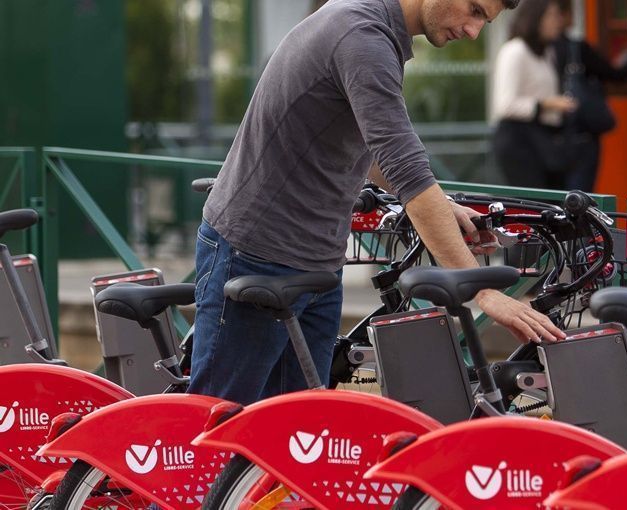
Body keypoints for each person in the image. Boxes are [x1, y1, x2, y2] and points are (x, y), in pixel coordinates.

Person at [188, 0, 566, 406]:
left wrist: (440, 205)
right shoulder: (362, 37)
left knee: (294, 436)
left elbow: (380, 152)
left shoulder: (373, 28)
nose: (473, 31)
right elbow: (406, 168)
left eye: (484, 22)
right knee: (216, 426)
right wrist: (483, 293)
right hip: (256, 252)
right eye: (474, 10)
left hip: (316, 263)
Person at [553, 0, 627, 192]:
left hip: (550, 139)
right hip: (581, 138)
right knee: (578, 200)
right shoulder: (576, 49)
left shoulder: (537, 50)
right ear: (562, 15)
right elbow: (616, 74)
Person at [490, 0, 579, 190]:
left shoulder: (548, 52)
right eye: (552, 15)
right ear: (536, 18)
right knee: (535, 206)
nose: (558, 21)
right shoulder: (515, 51)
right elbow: (504, 105)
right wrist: (548, 104)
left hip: (545, 140)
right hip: (519, 142)